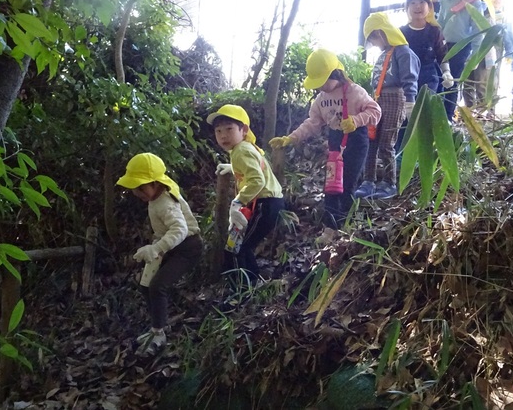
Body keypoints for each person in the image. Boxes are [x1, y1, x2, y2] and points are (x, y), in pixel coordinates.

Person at [269, 49, 380, 241]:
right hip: (336, 140)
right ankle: (330, 228)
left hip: (356, 140)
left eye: (322, 81)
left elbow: (376, 112)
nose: (320, 87)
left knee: (347, 184)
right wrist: (291, 138)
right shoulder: (320, 100)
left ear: (334, 74)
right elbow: (312, 123)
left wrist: (356, 120)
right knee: (331, 185)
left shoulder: (355, 91)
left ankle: (344, 227)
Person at [116, 153, 203, 356]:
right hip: (170, 246)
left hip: (187, 247)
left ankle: (158, 334)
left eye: (142, 187)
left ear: (156, 183)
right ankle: (158, 326)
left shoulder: (165, 202)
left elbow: (180, 230)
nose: (138, 192)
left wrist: (156, 249)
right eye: (135, 188)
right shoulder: (157, 193)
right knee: (145, 285)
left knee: (157, 286)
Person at [207, 104, 284, 285]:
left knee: (238, 247)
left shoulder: (241, 151)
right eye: (218, 131)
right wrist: (233, 169)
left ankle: (241, 290)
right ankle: (252, 282)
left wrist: (238, 201)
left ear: (244, 130)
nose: (223, 135)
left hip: (266, 204)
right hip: (267, 202)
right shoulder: (244, 148)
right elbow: (256, 168)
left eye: (229, 129)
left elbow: (257, 180)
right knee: (240, 245)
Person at [354, 12, 420, 200]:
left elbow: (410, 77)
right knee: (371, 140)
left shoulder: (403, 52)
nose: (374, 43)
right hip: (377, 100)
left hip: (395, 99)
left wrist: (410, 101)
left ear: (382, 32)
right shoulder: (384, 55)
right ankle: (369, 180)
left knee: (386, 142)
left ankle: (389, 182)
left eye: (374, 37)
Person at [397, 0, 450, 158]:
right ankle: (401, 156)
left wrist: (447, 73)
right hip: (406, 81)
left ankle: (424, 155)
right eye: (412, 3)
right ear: (407, 8)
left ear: (429, 6)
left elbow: (442, 55)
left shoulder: (435, 31)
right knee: (405, 118)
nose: (417, 6)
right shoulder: (401, 33)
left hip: (429, 78)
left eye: (421, 2)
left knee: (425, 117)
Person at [438, 0, 491, 121]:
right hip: (444, 45)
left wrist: (475, 57)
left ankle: (447, 117)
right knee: (441, 80)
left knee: (453, 83)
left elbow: (478, 32)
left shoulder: (475, 3)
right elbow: (440, 21)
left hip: (462, 48)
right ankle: (438, 114)